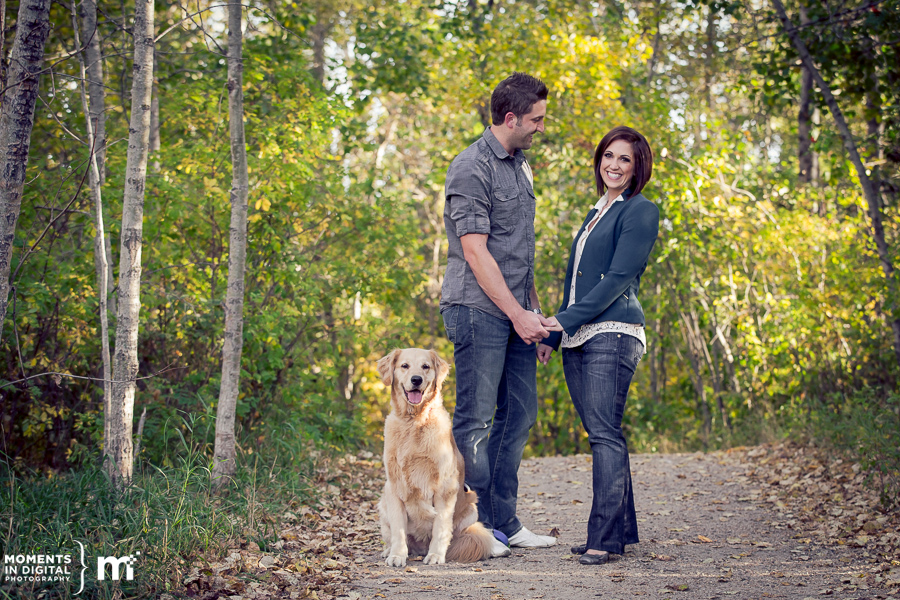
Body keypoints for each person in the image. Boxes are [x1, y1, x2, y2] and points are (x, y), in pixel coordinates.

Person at [440, 72, 558, 558]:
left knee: (521, 414)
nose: (540, 128)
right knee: (476, 422)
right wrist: (516, 314)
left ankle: (505, 521)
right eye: (536, 120)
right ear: (510, 118)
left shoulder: (521, 165)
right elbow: (476, 252)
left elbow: (519, 253)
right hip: (476, 309)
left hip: (514, 313)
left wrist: (534, 316)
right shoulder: (471, 168)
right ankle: (474, 525)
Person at [538, 126, 660, 565]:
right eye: (608, 156)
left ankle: (604, 539)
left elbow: (617, 278)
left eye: (624, 159)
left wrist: (562, 322)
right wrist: (555, 333)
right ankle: (619, 531)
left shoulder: (641, 211)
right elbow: (576, 284)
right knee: (603, 432)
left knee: (604, 433)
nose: (614, 164)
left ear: (637, 166)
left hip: (615, 331)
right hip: (579, 334)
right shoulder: (595, 213)